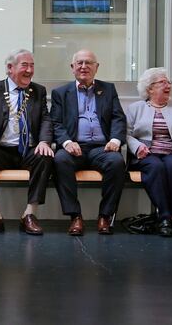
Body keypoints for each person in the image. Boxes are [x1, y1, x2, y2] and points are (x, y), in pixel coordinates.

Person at [0, 49, 54, 235]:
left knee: (45, 156)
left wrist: (44, 142)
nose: (30, 70)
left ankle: (29, 214)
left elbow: (45, 119)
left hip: (29, 150)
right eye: (25, 65)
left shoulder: (38, 91)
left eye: (32, 65)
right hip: (2, 149)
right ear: (10, 68)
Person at [50, 49, 127, 235]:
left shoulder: (108, 89)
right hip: (74, 147)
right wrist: (67, 142)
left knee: (117, 162)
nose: (84, 67)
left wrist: (116, 139)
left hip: (102, 147)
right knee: (60, 160)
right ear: (72, 67)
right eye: (80, 63)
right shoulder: (60, 93)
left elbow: (118, 118)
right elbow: (56, 123)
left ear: (97, 67)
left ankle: (105, 216)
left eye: (89, 63)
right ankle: (75, 216)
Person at [126, 68, 172, 237]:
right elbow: (126, 134)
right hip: (146, 154)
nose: (168, 85)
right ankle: (164, 216)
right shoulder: (135, 108)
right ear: (150, 88)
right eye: (162, 82)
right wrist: (137, 147)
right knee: (156, 167)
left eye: (168, 82)